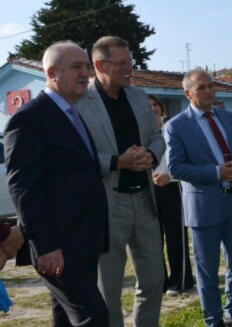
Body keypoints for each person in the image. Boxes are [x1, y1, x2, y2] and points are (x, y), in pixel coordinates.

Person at [5, 42, 109, 325]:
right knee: (94, 316)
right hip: (58, 246)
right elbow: (22, 187)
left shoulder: (72, 114)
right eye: (77, 67)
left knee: (65, 318)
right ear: (51, 72)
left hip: (82, 241)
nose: (86, 73)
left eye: (87, 66)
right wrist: (46, 244)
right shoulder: (29, 119)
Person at [75, 36, 165, 327]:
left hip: (144, 199)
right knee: (108, 289)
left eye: (130, 62)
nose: (130, 68)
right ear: (100, 65)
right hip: (107, 205)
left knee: (154, 279)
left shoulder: (138, 96)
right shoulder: (79, 103)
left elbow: (157, 137)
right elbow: (77, 154)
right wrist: (118, 162)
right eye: (122, 63)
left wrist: (150, 155)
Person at [165, 69, 232, 327]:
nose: (209, 91)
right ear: (187, 93)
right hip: (204, 207)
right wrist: (216, 172)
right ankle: (213, 320)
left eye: (211, 86)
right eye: (201, 87)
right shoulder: (176, 126)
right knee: (208, 270)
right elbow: (175, 168)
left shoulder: (226, 118)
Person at [149, 94, 195, 295]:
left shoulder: (171, 130)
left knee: (176, 236)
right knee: (153, 238)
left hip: (173, 187)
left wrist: (170, 176)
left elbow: (184, 159)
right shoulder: (140, 133)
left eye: (155, 105)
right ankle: (160, 280)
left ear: (161, 108)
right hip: (150, 190)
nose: (152, 109)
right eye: (147, 106)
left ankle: (181, 280)